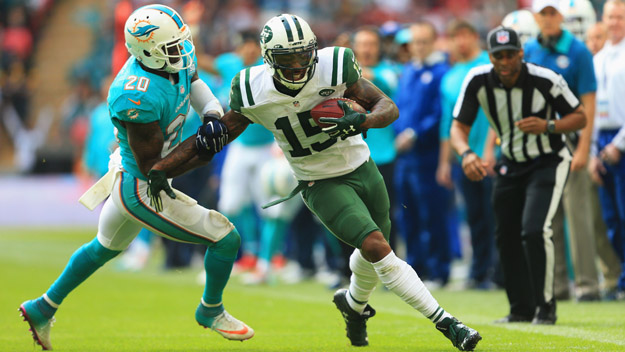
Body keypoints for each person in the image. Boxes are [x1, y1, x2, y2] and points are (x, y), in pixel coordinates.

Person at [148, 13, 481, 351]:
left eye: (302, 55)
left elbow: (388, 107)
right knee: (377, 246)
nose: (296, 65)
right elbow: (212, 143)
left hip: (363, 167)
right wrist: (163, 168)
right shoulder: (252, 89)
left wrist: (362, 118)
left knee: (373, 253)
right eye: (286, 59)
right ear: (268, 59)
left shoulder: (334, 65)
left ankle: (353, 305)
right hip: (318, 181)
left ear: (314, 50)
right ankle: (447, 323)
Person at [18, 5, 254, 350]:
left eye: (181, 42)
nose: (183, 51)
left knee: (103, 249)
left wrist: (212, 113)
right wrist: (202, 146)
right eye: (173, 47)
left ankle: (41, 307)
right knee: (225, 238)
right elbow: (153, 167)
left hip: (137, 175)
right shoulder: (135, 94)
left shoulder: (171, 57)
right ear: (147, 51)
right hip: (143, 186)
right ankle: (210, 310)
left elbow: (194, 79)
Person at [450, 26, 586, 325]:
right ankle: (521, 309)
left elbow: (579, 116)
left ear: (521, 55)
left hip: (548, 159)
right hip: (510, 162)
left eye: (511, 54)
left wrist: (547, 126)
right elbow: (458, 128)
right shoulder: (477, 80)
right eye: (499, 56)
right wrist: (467, 154)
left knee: (534, 230)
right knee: (506, 234)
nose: (506, 62)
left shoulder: (544, 79)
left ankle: (546, 307)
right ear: (491, 57)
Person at [524, 0, 600, 301]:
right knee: (547, 217)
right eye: (543, 13)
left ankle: (588, 285)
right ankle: (555, 288)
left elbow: (589, 102)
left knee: (578, 214)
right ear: (536, 17)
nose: (548, 19)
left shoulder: (578, 51)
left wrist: (583, 147)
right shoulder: (530, 50)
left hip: (569, 137)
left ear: (562, 16)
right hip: (540, 142)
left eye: (552, 13)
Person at [393, 21, 454, 287]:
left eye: (422, 42)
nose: (418, 47)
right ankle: (416, 269)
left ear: (432, 42)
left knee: (432, 212)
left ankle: (439, 269)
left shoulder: (440, 72)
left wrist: (415, 133)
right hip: (406, 157)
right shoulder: (408, 71)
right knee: (409, 213)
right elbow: (400, 107)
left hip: (427, 154)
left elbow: (439, 113)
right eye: (414, 42)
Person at [437, 19, 496, 290]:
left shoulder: (490, 63)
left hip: (491, 153)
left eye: (465, 35)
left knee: (494, 214)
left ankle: (498, 272)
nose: (460, 41)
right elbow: (448, 124)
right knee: (474, 216)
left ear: (474, 37)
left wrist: (491, 147)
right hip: (464, 157)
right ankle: (479, 271)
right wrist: (445, 162)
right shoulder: (450, 77)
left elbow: (498, 109)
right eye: (455, 37)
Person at [590, 0, 625, 299]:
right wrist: (591, 152)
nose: (614, 22)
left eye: (620, 17)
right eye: (611, 17)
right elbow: (589, 110)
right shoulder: (598, 59)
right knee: (611, 217)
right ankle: (622, 274)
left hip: (621, 139)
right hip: (601, 139)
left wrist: (619, 144)